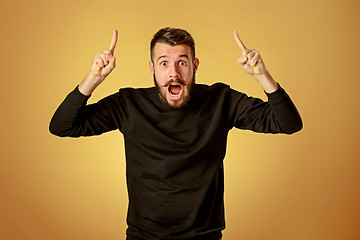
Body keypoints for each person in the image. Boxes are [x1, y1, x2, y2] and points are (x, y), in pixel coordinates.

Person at [49, 27, 302, 240]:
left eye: (182, 62)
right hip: (143, 236)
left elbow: (288, 123)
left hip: (205, 236)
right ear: (152, 68)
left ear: (194, 66)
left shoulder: (221, 100)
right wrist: (93, 78)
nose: (174, 73)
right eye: (164, 63)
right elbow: (62, 126)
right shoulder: (128, 104)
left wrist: (262, 76)